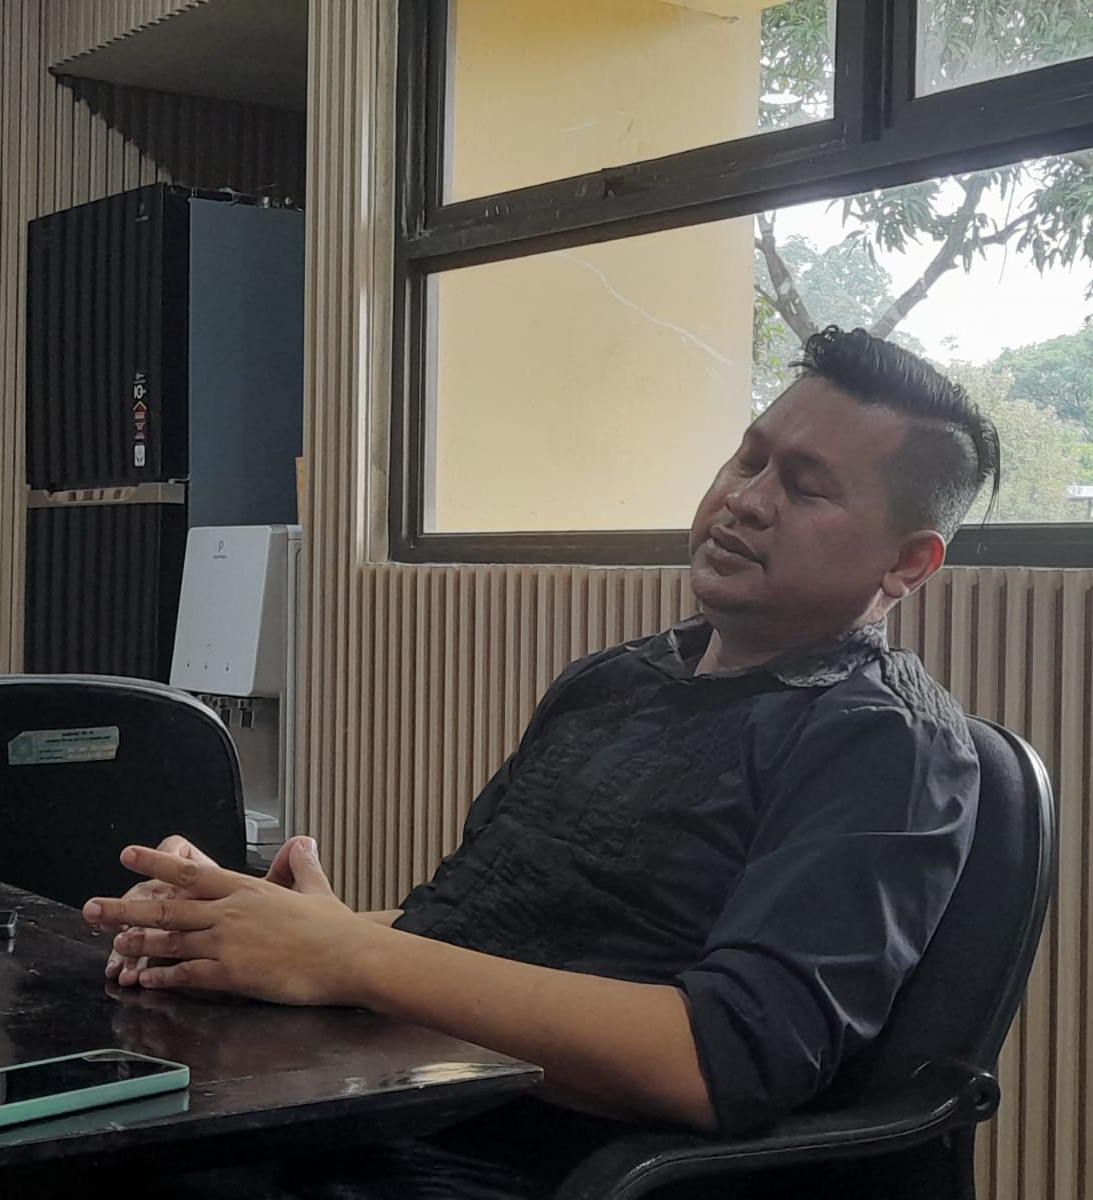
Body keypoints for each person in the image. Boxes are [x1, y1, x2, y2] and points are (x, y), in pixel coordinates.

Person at [83, 326, 1001, 1198]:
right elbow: (485, 929)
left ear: (908, 564)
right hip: (390, 1103)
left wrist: (349, 955)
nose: (746, 498)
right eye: (748, 458)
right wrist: (253, 929)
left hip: (547, 1169)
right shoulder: (614, 680)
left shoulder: (884, 742)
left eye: (806, 487)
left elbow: (726, 1057)